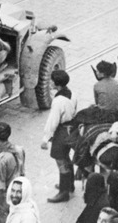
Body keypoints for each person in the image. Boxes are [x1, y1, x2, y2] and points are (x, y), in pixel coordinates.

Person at [41, 70, 77, 203]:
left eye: (51, 80)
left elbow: (53, 121)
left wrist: (45, 139)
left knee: (61, 161)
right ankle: (69, 184)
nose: (50, 82)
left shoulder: (58, 101)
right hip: (71, 129)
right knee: (67, 158)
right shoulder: (72, 94)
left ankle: (64, 192)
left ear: (57, 84)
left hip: (61, 132)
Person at [0, 122, 26, 223]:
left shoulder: (2, 160)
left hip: (6, 196)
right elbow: (23, 172)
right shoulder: (19, 149)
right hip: (18, 191)